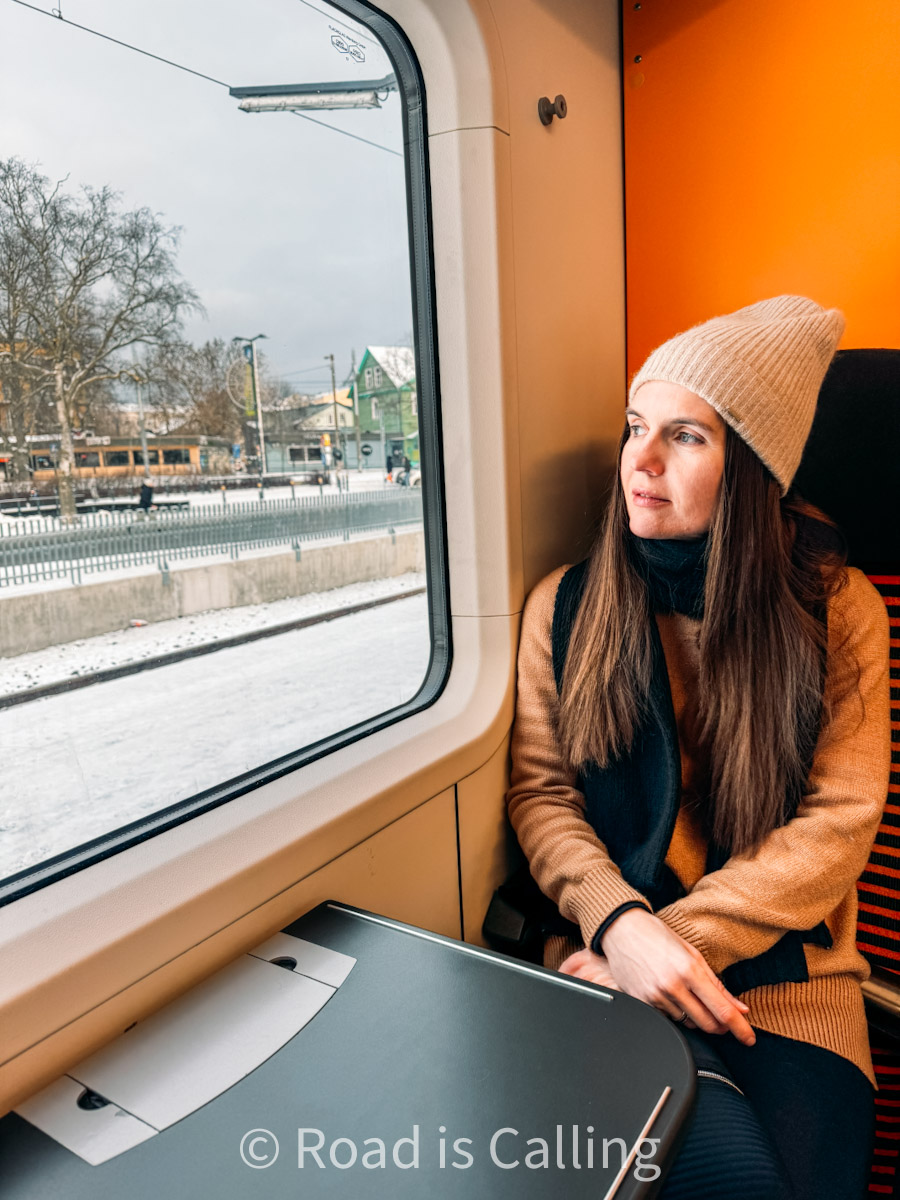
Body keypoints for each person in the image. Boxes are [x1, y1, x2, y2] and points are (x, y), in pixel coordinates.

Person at [506, 296, 890, 1200]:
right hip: (607, 957)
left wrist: (667, 942)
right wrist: (619, 923)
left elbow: (840, 823)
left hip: (791, 989)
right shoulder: (566, 606)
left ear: (751, 469)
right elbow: (542, 797)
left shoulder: (839, 610)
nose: (638, 462)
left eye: (685, 437)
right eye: (637, 425)